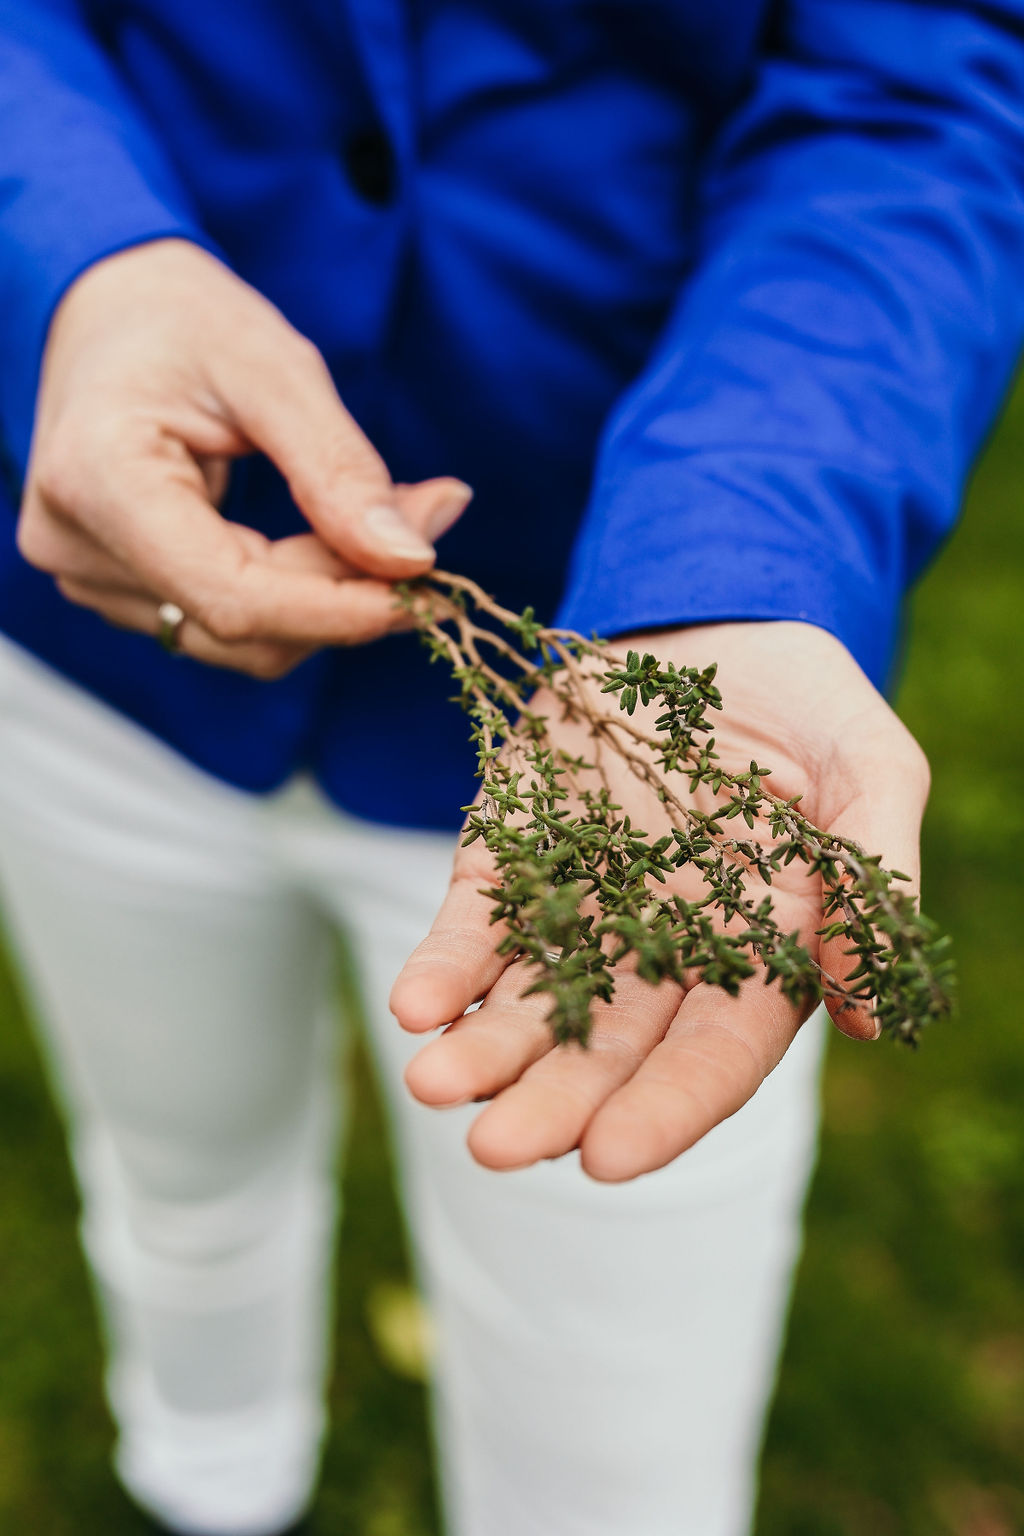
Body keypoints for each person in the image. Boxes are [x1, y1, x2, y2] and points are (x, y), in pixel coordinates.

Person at [0, 4, 1022, 1534]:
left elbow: (915, 85)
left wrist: (729, 559)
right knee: (173, 1170)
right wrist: (73, 258)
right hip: (96, 643)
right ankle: (211, 1474)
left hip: (600, 697)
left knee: (610, 1429)